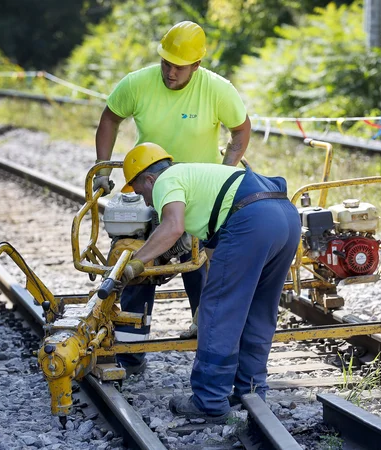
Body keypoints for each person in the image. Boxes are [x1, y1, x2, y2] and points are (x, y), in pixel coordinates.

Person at [93, 21, 252, 374]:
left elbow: (241, 129)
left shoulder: (217, 90)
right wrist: (103, 168)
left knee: (200, 265)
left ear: (197, 65)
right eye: (166, 62)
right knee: (140, 264)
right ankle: (131, 352)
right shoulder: (137, 83)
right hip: (151, 192)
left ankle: (209, 340)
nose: (170, 71)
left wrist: (226, 169)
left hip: (199, 196)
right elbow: (109, 119)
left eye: (179, 66)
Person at [118, 142, 300, 423]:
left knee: (218, 311)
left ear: (150, 179)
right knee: (258, 310)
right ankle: (250, 392)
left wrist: (135, 263)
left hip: (251, 220)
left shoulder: (167, 180)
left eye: (141, 192)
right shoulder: (199, 177)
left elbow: (172, 226)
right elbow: (214, 254)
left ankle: (209, 400)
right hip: (285, 217)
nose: (145, 201)